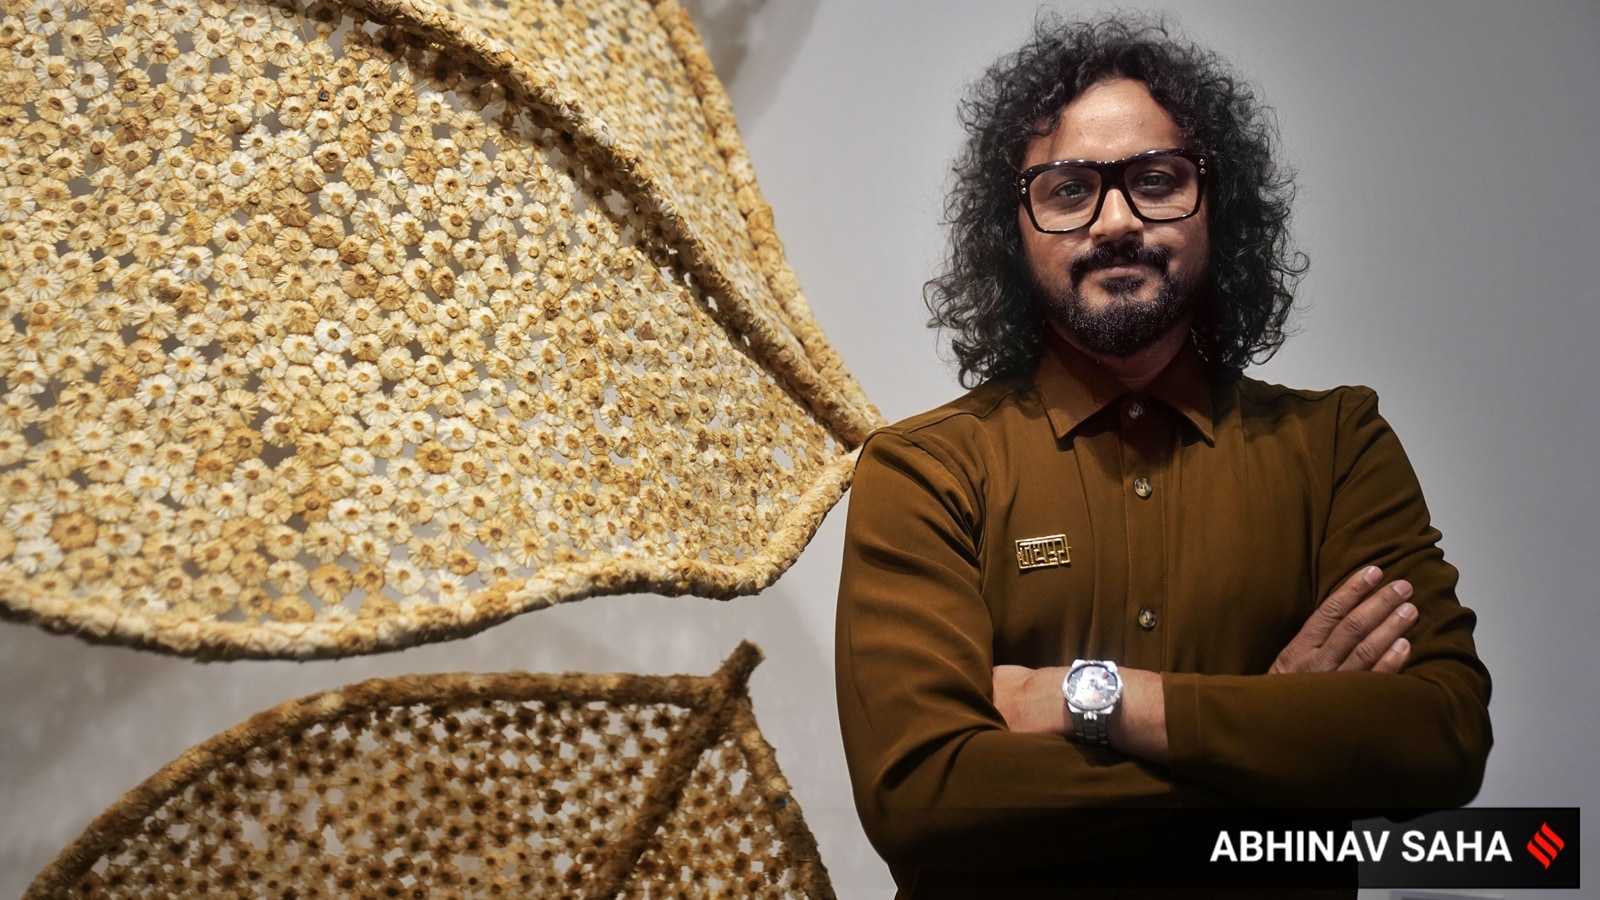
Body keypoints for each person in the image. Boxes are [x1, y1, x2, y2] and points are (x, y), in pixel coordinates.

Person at [834, 13, 1492, 898]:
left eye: (1155, 180)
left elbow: (1440, 739)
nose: (1115, 221)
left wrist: (1094, 699)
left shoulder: (1336, 445)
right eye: (1069, 189)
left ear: (1220, 207)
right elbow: (926, 800)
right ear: (1013, 227)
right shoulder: (925, 472)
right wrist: (1282, 743)